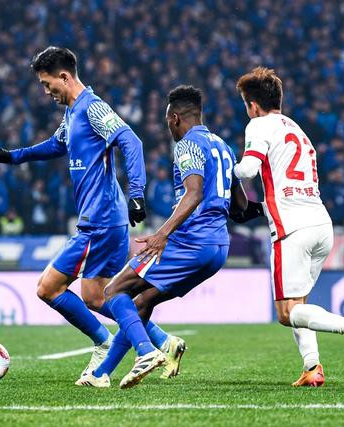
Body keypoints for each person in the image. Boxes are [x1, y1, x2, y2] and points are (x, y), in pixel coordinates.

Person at [0, 46, 179, 382]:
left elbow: (131, 141)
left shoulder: (92, 107)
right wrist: (13, 156)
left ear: (64, 76)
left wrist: (136, 193)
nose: (46, 91)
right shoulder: (72, 113)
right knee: (98, 296)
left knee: (48, 288)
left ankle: (109, 344)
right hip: (104, 219)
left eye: (47, 84)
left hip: (99, 220)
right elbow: (55, 145)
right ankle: (162, 342)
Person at [78, 85, 248, 388]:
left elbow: (193, 194)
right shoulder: (223, 146)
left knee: (114, 290)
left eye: (167, 120)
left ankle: (146, 352)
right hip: (218, 248)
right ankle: (101, 374)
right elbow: (241, 206)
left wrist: (161, 234)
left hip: (191, 241)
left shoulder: (187, 144)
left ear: (174, 118)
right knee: (142, 302)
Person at [232, 67, 344, 387]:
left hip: (292, 230)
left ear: (253, 105)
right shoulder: (298, 131)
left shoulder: (259, 124)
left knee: (287, 313)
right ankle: (312, 367)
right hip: (320, 224)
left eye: (245, 104)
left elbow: (248, 170)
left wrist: (227, 164)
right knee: (299, 305)